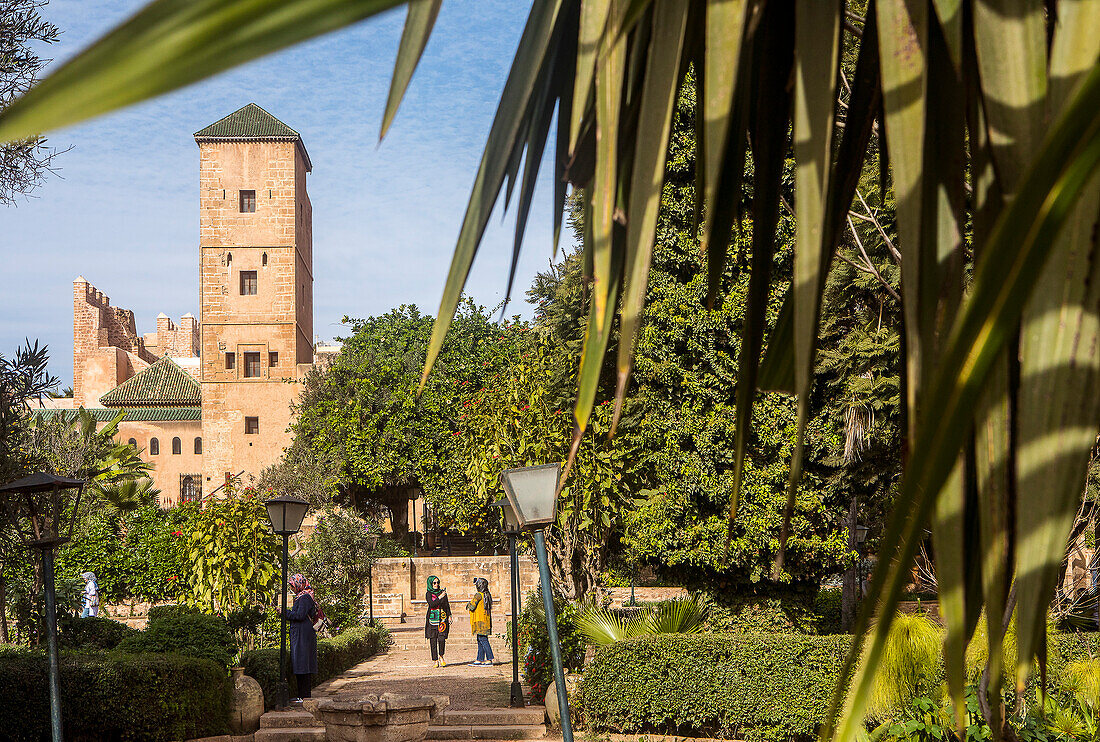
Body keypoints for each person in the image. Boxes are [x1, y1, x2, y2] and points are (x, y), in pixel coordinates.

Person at [281, 573, 318, 702]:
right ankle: (303, 696)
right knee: (301, 663)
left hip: (303, 634)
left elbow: (300, 615)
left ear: (299, 584)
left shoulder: (305, 598)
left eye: (293, 585)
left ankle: (304, 696)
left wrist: (285, 613)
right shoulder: (303, 597)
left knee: (302, 663)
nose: (291, 588)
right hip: (302, 633)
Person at [466, 577, 494, 666]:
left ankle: (489, 659)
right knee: (480, 640)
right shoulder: (487, 595)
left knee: (483, 640)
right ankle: (480, 659)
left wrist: (468, 604)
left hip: (479, 621)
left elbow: (472, 606)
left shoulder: (478, 595)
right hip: (486, 621)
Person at [425, 575, 451, 667]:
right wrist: (439, 597)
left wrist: (449, 616)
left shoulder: (442, 593)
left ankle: (441, 656)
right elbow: (432, 604)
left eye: (438, 582)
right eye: (434, 583)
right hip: (432, 620)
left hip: (442, 620)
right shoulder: (428, 594)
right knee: (433, 640)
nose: (436, 584)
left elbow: (447, 605)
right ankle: (435, 660)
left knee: (441, 639)